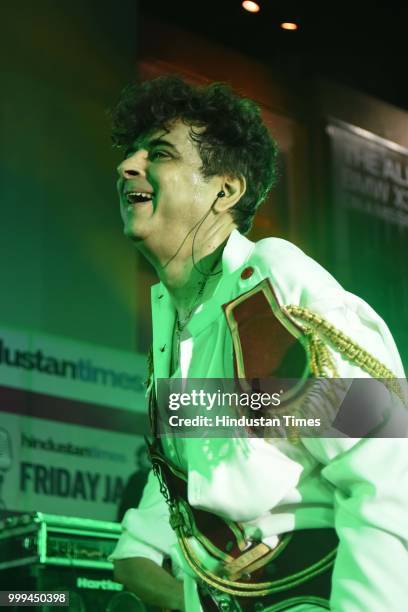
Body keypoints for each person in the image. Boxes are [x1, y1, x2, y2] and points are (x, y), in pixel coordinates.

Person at [109, 75, 407, 611]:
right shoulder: (176, 323)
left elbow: (389, 464)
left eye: (159, 153)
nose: (128, 165)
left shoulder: (274, 288)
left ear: (225, 190)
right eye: (130, 152)